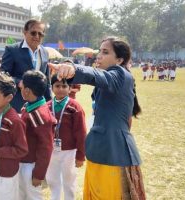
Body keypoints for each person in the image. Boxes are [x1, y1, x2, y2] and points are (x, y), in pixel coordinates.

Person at [49, 37, 145, 200]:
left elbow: (95, 75)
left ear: (119, 59)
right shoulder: (110, 81)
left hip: (113, 155)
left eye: (105, 52)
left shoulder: (120, 74)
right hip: (100, 151)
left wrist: (73, 69)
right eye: (99, 51)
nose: (98, 56)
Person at [45, 74, 86, 200]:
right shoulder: (46, 106)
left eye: (64, 86)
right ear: (51, 87)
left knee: (69, 179)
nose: (61, 89)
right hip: (51, 150)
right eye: (57, 86)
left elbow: (81, 133)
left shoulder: (75, 107)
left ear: (70, 88)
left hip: (70, 151)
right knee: (52, 179)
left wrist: (80, 155)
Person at [18, 70, 56, 200]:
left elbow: (46, 147)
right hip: (23, 161)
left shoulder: (38, 114)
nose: (19, 87)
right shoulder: (29, 106)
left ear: (27, 90)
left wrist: (39, 174)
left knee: (32, 196)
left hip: (30, 166)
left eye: (21, 86)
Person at [2, 19, 52, 113]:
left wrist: (49, 104)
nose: (37, 36)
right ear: (25, 32)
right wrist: (20, 82)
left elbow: (47, 81)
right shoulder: (12, 50)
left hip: (39, 106)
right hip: (16, 104)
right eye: (33, 33)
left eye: (40, 34)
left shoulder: (45, 52)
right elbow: (3, 75)